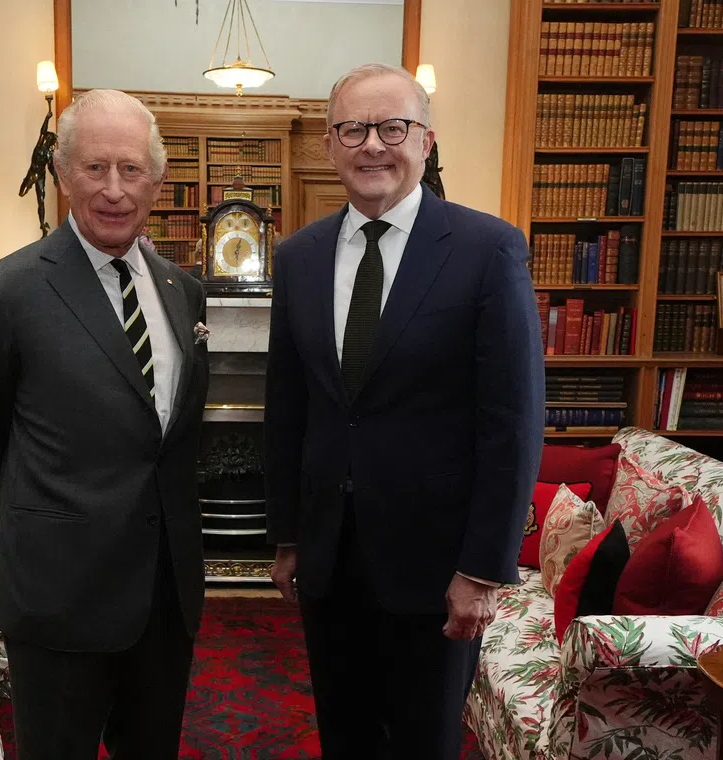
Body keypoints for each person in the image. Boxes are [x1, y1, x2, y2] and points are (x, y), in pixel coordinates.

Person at [263, 63, 545, 760]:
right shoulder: (298, 258)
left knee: (423, 740)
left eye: (394, 127)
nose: (373, 145)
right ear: (329, 147)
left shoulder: (487, 249)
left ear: (426, 141)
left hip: (437, 563)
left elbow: (511, 422)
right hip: (330, 556)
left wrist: (483, 568)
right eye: (353, 129)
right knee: (345, 734)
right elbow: (288, 405)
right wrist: (288, 535)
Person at [0, 88, 210, 760]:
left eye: (132, 169)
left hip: (165, 593)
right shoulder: (6, 292)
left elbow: (172, 442)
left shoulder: (185, 291)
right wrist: (47, 529)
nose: (115, 189)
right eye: (95, 168)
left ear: (157, 180)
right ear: (63, 174)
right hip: (59, 594)